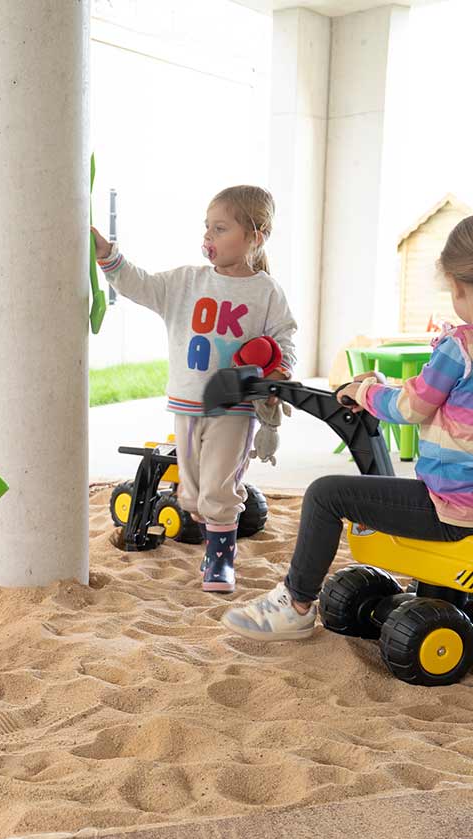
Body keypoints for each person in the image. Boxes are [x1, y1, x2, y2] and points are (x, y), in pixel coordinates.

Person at [222, 210, 473, 640]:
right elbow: (454, 400)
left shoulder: (461, 345)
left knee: (326, 495)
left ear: (455, 284)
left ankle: (296, 605)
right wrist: (389, 389)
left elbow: (410, 408)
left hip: (453, 509)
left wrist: (363, 392)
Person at [93, 185, 297, 592]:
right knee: (191, 496)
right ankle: (209, 531)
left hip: (234, 408)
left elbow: (283, 338)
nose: (208, 237)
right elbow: (139, 284)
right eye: (207, 227)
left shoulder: (266, 292)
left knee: (220, 489)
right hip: (186, 406)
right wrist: (106, 254)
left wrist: (281, 370)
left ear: (255, 237)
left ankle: (220, 561)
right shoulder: (186, 282)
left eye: (220, 229)